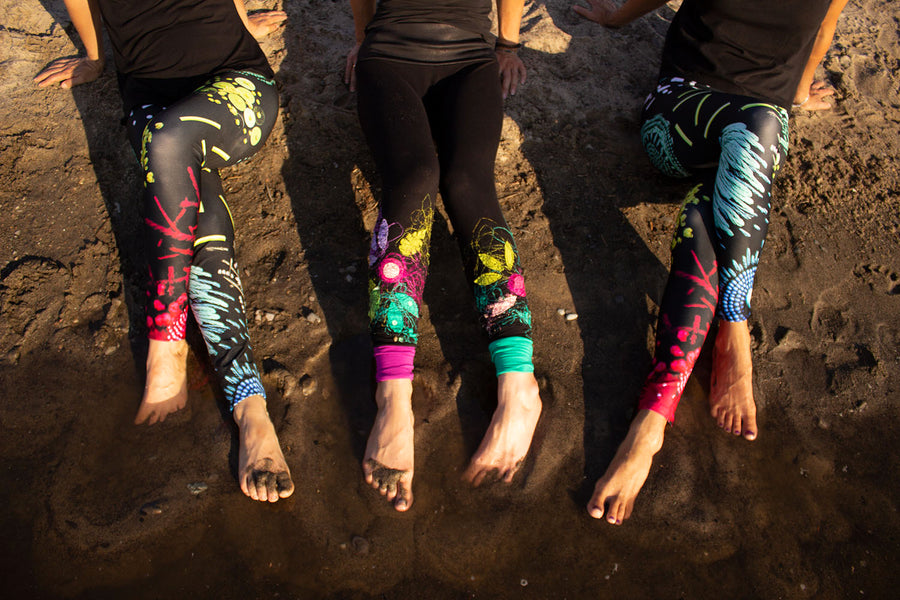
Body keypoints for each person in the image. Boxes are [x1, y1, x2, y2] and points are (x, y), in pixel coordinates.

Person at [573, 0, 849, 524]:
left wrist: (796, 91)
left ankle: (653, 418)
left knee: (704, 215)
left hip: (756, 137)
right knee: (763, 124)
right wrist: (612, 19)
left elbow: (823, 29)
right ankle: (734, 325)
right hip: (682, 113)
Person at [35, 0, 294, 502]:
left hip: (236, 86)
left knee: (169, 143)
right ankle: (251, 408)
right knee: (192, 198)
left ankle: (167, 338)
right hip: (151, 99)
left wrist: (240, 22)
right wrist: (94, 59)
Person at [345, 0, 542, 511]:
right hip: (389, 53)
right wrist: (364, 40)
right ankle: (393, 397)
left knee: (467, 183)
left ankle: (520, 387)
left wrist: (508, 44)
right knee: (415, 178)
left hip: (469, 56)